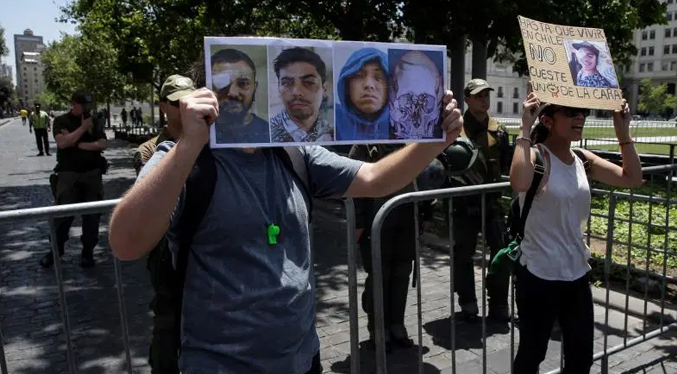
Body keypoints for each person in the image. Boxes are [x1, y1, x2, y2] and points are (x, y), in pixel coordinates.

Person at [108, 84, 463, 373]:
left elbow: (374, 178)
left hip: (302, 360)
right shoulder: (181, 157)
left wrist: (436, 141)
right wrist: (189, 143)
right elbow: (125, 243)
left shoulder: (295, 154)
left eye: (255, 87)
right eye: (231, 87)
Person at [510, 90, 642, 373]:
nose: (580, 117)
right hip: (538, 274)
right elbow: (520, 183)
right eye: (570, 112)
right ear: (547, 120)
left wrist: (623, 131)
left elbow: (632, 178)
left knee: (581, 358)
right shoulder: (535, 155)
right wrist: (524, 127)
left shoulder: (583, 158)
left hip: (576, 274)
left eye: (582, 112)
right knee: (532, 354)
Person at [350, 143, 444, 351]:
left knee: (402, 272)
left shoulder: (411, 138)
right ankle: (378, 328)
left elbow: (425, 173)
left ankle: (396, 324)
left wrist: (426, 213)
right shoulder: (364, 144)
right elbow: (352, 181)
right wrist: (358, 221)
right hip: (375, 217)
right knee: (379, 274)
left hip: (407, 213)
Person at [132, 74, 195, 374]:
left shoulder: (211, 139)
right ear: (162, 107)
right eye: (176, 103)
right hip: (164, 248)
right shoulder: (149, 150)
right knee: (168, 316)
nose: (183, 108)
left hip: (200, 239)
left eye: (188, 100)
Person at [450, 79, 512, 322]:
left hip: (492, 203)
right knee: (462, 254)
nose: (484, 100)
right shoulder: (455, 130)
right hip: (463, 203)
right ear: (467, 99)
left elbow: (506, 165)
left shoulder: (500, 131)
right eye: (478, 96)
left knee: (501, 253)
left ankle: (498, 303)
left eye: (486, 95)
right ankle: (467, 303)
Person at [40, 91, 108, 269]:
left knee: (92, 216)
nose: (86, 109)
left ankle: (88, 252)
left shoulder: (94, 121)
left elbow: (102, 144)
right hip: (68, 175)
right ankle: (56, 250)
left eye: (88, 106)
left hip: (92, 175)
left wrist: (77, 143)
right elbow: (62, 143)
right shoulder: (62, 121)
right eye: (82, 105)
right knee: (62, 216)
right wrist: (83, 129)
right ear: (73, 103)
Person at [270, 47, 333, 143]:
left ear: (324, 89)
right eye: (287, 83)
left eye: (308, 82)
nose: (297, 92)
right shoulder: (265, 133)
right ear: (279, 89)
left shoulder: (332, 132)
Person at [210, 48, 270, 144]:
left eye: (243, 83)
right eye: (222, 83)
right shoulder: (200, 135)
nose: (233, 93)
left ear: (254, 88)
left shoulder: (271, 133)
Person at [335, 48, 390, 141]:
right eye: (359, 75)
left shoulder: (403, 126)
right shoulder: (332, 121)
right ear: (347, 85)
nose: (369, 85)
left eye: (378, 78)